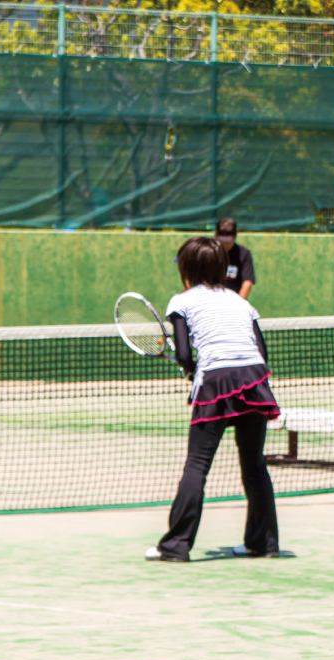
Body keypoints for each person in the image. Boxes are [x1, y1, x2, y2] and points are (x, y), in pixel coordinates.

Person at [145, 236, 280, 563]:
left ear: (187, 269)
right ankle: (263, 544)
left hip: (216, 381)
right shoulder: (240, 301)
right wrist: (196, 368)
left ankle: (175, 546)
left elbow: (184, 353)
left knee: (197, 465)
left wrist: (190, 370)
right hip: (254, 378)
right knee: (254, 463)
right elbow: (261, 352)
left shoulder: (181, 301)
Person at [214, 218, 255, 299]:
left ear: (235, 237)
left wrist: (239, 304)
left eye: (228, 241)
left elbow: (247, 282)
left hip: (232, 301)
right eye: (222, 241)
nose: (225, 244)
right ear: (215, 235)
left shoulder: (243, 253)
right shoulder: (207, 252)